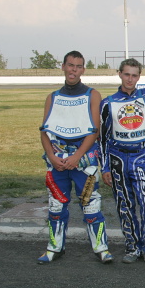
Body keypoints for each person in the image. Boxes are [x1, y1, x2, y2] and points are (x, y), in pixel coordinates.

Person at [37, 50, 112, 264]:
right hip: (58, 160)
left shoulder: (92, 94)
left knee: (90, 204)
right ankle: (54, 247)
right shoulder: (52, 97)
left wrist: (77, 156)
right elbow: (44, 131)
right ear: (63, 67)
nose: (74, 70)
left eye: (78, 66)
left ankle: (101, 248)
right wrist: (51, 156)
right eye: (70, 65)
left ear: (83, 70)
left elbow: (94, 131)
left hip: (84, 160)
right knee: (56, 205)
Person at [100, 58, 145, 264]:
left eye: (134, 75)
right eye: (127, 74)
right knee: (125, 205)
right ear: (119, 74)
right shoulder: (108, 103)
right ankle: (132, 247)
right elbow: (102, 138)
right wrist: (105, 167)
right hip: (117, 158)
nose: (130, 79)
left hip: (140, 156)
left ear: (139, 77)